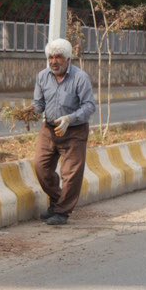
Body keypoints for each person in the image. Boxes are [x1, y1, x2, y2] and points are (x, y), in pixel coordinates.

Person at [32, 38, 97, 226]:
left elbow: (89, 105)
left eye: (58, 57)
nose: (54, 61)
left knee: (71, 173)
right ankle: (58, 199)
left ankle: (62, 211)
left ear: (68, 59)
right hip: (50, 129)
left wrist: (69, 119)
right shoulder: (42, 76)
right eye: (51, 57)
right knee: (41, 167)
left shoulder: (80, 77)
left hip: (74, 131)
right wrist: (29, 112)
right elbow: (39, 104)